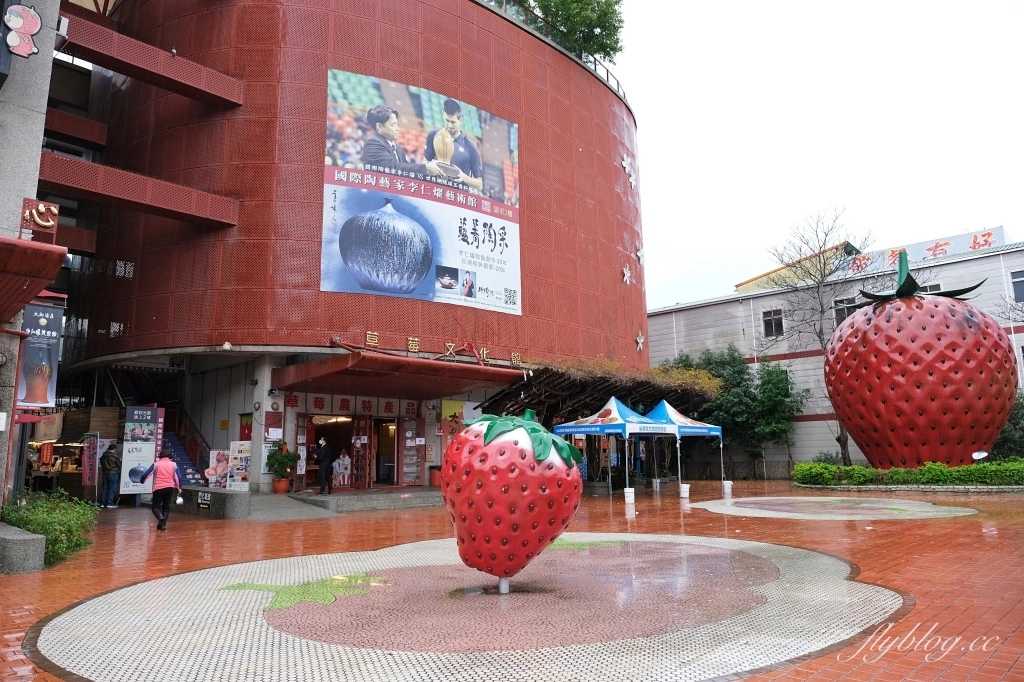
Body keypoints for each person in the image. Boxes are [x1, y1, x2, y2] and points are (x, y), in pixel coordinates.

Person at [362, 105, 443, 178]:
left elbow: (408, 171)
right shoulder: (373, 143)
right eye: (393, 125)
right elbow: (392, 168)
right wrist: (425, 168)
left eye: (397, 124)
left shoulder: (398, 148)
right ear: (379, 127)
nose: (398, 128)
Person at [424, 99, 483, 191]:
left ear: (460, 120)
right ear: (443, 115)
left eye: (453, 122)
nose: (449, 125)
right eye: (447, 121)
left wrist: (463, 177)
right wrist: (430, 166)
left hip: (457, 199)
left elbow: (479, 184)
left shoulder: (471, 148)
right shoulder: (433, 135)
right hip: (435, 193)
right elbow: (424, 163)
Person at [139, 449, 182, 531]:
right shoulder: (174, 465)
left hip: (158, 488)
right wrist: (179, 487)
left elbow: (147, 474)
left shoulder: (156, 464)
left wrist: (142, 481)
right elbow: (178, 477)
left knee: (155, 507)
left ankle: (160, 517)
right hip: (169, 488)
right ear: (170, 457)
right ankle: (162, 525)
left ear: (160, 456)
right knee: (166, 507)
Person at [99, 443, 121, 508]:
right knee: (112, 489)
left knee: (104, 489)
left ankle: (103, 503)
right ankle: (110, 503)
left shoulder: (103, 456)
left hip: (105, 474)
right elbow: (119, 465)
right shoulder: (115, 456)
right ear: (114, 449)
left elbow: (102, 464)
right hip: (113, 474)